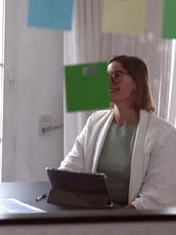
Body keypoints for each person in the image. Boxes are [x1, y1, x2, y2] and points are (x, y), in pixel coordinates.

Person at [60, 55, 176, 209]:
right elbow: (71, 166)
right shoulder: (95, 121)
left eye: (116, 76)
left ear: (136, 83)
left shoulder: (165, 134)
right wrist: (59, 184)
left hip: (134, 222)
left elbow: (154, 196)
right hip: (94, 213)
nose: (108, 82)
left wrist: (116, 221)